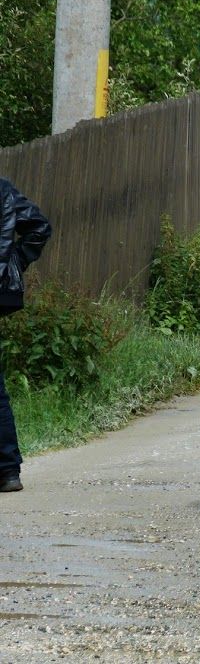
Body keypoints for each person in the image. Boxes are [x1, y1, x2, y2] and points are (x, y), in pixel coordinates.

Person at [0, 178, 52, 493]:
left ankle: (7, 470)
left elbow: (40, 228)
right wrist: (13, 262)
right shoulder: (3, 191)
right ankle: (7, 471)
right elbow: (39, 227)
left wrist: (14, 261)